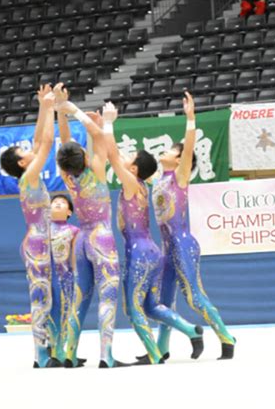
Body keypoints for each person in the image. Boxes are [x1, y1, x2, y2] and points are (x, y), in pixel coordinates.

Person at [100, 102, 204, 365]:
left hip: (140, 252)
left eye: (129, 158)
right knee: (150, 306)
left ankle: (156, 354)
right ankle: (192, 331)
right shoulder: (143, 184)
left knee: (132, 308)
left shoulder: (132, 183)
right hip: (149, 251)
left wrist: (109, 123)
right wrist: (93, 122)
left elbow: (112, 156)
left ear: (133, 169)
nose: (124, 159)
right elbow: (114, 155)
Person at [152, 92, 236, 360]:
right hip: (167, 246)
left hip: (182, 243)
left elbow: (188, 148)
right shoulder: (159, 179)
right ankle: (161, 348)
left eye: (170, 151)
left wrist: (190, 119)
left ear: (179, 160)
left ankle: (226, 336)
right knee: (165, 300)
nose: (163, 152)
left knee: (194, 297)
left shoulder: (179, 176)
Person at [54, 84, 125, 368]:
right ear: (84, 158)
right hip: (102, 237)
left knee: (80, 298)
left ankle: (69, 353)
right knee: (107, 296)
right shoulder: (95, 171)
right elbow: (97, 135)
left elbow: (65, 144)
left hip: (82, 240)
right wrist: (72, 110)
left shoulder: (68, 176)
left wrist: (60, 110)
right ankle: (106, 355)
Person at [0, 85, 60, 369]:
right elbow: (46, 143)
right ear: (22, 162)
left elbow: (38, 141)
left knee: (47, 296)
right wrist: (49, 109)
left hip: (40, 239)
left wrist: (43, 106)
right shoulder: (29, 177)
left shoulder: (28, 173)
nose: (29, 148)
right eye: (23, 150)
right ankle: (41, 354)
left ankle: (53, 348)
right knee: (40, 298)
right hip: (37, 243)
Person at [50, 193, 80, 364]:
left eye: (63, 203)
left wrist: (76, 276)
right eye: (55, 202)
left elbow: (75, 257)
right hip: (47, 276)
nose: (58, 204)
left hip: (66, 277)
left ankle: (61, 349)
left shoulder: (74, 231)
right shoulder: (43, 229)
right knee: (50, 312)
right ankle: (51, 348)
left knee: (65, 312)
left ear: (69, 212)